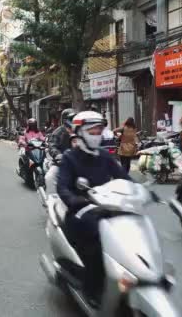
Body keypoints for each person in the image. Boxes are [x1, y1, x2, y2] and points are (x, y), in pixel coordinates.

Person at [57, 111, 130, 303]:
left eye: (99, 131)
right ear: (79, 132)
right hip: (80, 211)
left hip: (107, 207)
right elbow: (62, 187)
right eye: (92, 130)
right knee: (95, 243)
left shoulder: (105, 156)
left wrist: (141, 191)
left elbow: (124, 177)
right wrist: (74, 199)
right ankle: (92, 287)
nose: (97, 134)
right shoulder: (69, 158)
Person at [46, 109, 77, 194]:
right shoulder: (58, 132)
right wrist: (58, 155)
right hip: (62, 163)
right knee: (49, 177)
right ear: (65, 120)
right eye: (71, 119)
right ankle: (52, 200)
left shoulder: (80, 130)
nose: (74, 121)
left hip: (79, 162)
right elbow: (52, 145)